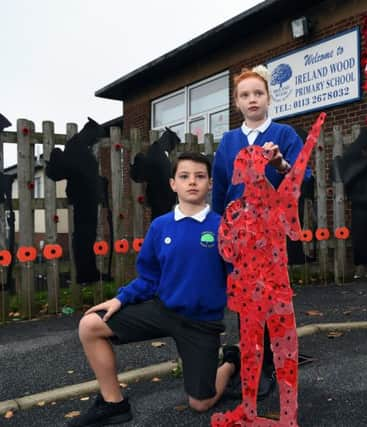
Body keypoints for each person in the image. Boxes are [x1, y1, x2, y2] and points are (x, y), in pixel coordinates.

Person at [68, 152, 236, 427]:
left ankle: (230, 364)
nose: (192, 182)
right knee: (89, 326)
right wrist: (120, 299)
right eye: (184, 176)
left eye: (200, 176)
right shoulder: (160, 227)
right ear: (173, 184)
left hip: (200, 322)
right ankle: (114, 403)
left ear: (210, 184)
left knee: (200, 403)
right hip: (163, 309)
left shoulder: (224, 227)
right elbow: (148, 277)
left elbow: (237, 275)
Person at [212, 65, 310, 399]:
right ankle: (250, 364)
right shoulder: (228, 142)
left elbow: (303, 180)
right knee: (244, 304)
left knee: (269, 304)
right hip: (240, 237)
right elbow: (221, 191)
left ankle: (268, 366)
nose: (252, 99)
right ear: (237, 103)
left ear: (268, 97)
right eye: (244, 95)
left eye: (258, 93)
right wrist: (217, 232)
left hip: (271, 236)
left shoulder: (284, 135)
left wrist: (280, 165)